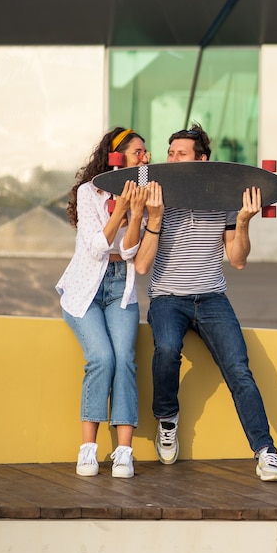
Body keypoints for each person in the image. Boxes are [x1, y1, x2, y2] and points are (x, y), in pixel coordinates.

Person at [134, 123, 277, 482]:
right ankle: (167, 418)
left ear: (201, 160)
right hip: (168, 298)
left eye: (180, 154)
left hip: (212, 297)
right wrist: (154, 217)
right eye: (170, 153)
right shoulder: (157, 196)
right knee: (167, 349)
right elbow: (142, 264)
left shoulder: (224, 198)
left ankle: (266, 453)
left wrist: (244, 221)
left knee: (239, 371)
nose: (172, 159)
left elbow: (237, 259)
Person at [56, 127, 162, 479]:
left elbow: (129, 251)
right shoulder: (90, 192)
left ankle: (124, 452)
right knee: (101, 358)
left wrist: (136, 214)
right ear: (116, 157)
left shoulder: (146, 197)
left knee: (124, 360)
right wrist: (120, 209)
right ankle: (88, 448)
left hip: (122, 286)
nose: (144, 158)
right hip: (86, 287)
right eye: (137, 152)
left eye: (146, 153)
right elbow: (98, 246)